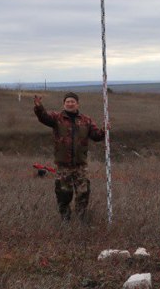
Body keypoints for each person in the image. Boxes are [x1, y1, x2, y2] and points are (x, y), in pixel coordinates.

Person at [33, 92, 106, 223]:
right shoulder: (57, 118)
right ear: (64, 103)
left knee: (83, 193)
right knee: (63, 194)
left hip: (80, 165)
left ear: (77, 104)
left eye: (73, 101)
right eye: (68, 101)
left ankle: (81, 218)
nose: (70, 103)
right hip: (63, 165)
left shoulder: (86, 120)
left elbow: (96, 136)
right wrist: (39, 107)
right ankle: (65, 220)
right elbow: (44, 117)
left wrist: (104, 130)